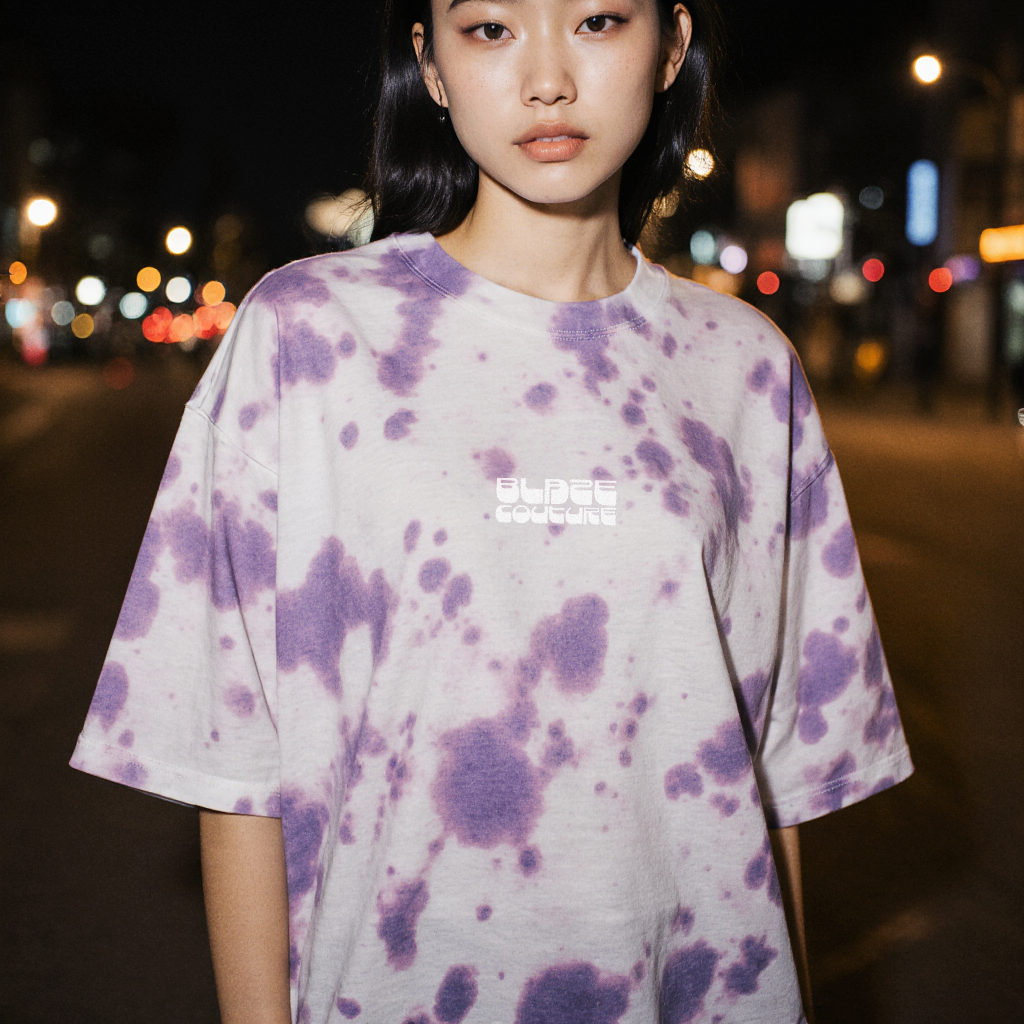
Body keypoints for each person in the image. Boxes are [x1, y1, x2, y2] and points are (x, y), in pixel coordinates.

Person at [70, 1, 913, 1022]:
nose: (547, 78)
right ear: (428, 64)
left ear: (671, 47)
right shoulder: (306, 336)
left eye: (598, 21)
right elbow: (233, 763)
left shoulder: (744, 367)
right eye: (490, 29)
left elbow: (771, 789)